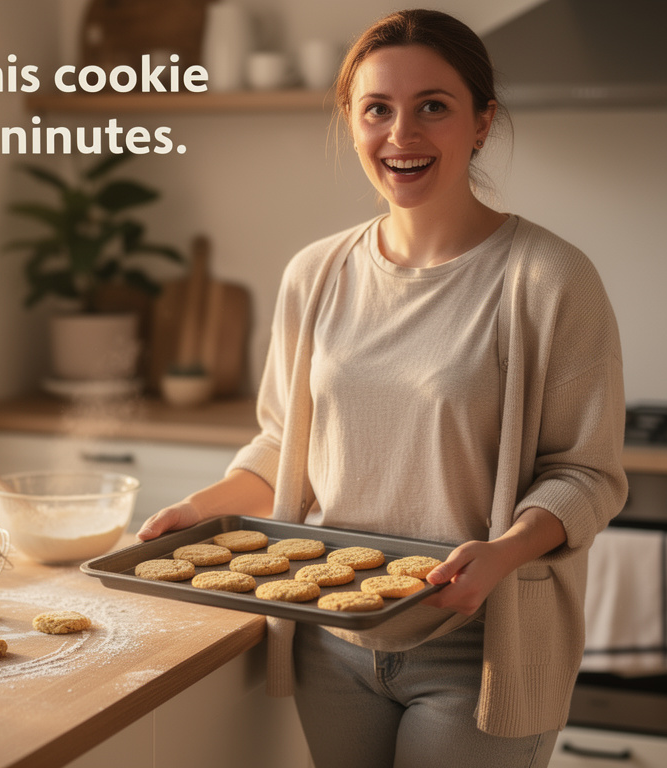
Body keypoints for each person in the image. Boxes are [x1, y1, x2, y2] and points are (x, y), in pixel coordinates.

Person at [137, 8, 627, 767]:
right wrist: (201, 508)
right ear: (352, 122)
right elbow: (282, 443)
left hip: (478, 647)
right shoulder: (316, 274)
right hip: (328, 641)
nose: (403, 134)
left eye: (433, 106)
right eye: (378, 109)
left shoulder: (548, 280)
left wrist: (504, 552)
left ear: (481, 122)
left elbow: (587, 475)